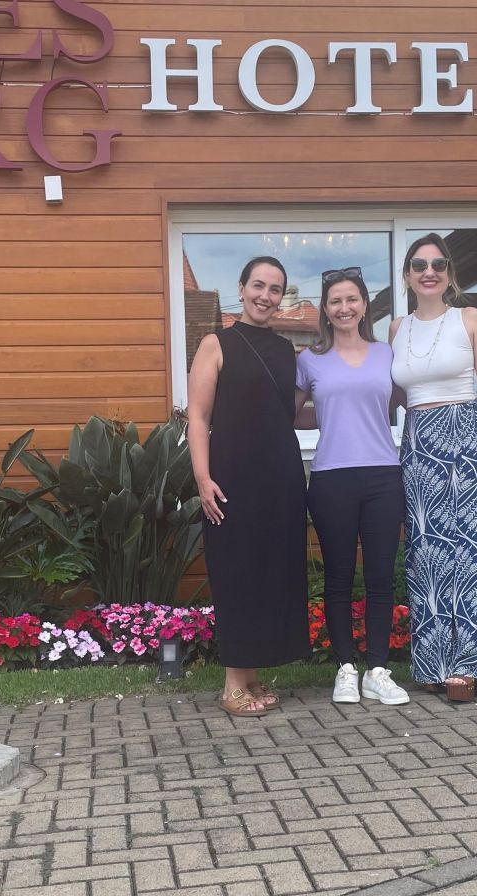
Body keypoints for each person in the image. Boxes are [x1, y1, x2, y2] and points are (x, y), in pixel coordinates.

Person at [389, 233, 477, 703]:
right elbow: (392, 395)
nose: (429, 272)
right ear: (407, 275)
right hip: (419, 444)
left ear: (449, 273)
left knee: (473, 551)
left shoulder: (469, 318)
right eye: (420, 265)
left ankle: (469, 665)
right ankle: (434, 663)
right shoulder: (396, 329)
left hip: (467, 437)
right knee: (428, 553)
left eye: (438, 264)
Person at [187, 255, 311, 717]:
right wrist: (203, 478)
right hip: (231, 477)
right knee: (237, 572)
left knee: (269, 572)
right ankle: (232, 686)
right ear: (241, 289)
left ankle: (252, 677)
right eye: (258, 285)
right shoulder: (215, 344)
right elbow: (198, 418)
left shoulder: (284, 351)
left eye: (275, 289)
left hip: (280, 476)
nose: (265, 296)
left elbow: (285, 415)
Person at [295, 266, 410, 707]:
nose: (344, 308)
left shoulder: (387, 355)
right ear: (326, 310)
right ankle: (345, 668)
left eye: (352, 299)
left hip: (383, 475)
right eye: (335, 301)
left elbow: (401, 401)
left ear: (364, 306)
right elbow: (292, 414)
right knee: (339, 577)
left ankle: (377, 671)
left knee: (380, 576)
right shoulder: (309, 360)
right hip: (331, 479)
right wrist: (331, 416)